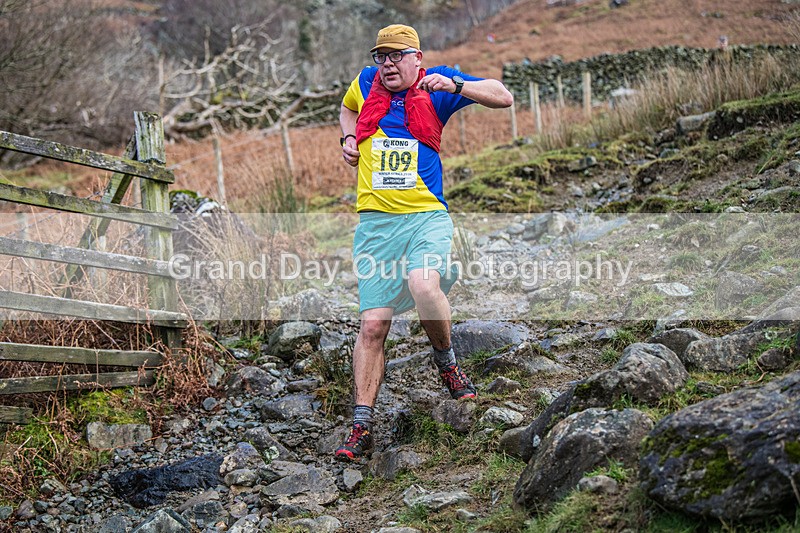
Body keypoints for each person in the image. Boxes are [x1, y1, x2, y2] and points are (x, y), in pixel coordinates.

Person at [335, 24, 513, 461]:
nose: (388, 64)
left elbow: (503, 96)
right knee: (373, 326)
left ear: (417, 58)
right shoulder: (365, 82)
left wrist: (457, 85)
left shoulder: (438, 84)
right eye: (382, 56)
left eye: (397, 55)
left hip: (425, 217)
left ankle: (446, 363)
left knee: (422, 284)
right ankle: (361, 426)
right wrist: (349, 137)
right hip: (376, 225)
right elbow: (346, 108)